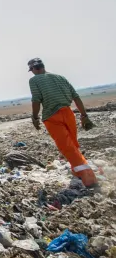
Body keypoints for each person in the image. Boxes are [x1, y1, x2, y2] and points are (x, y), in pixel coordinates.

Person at [27, 58, 97, 187]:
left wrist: (35, 117)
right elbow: (76, 96)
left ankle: (89, 178)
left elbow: (36, 99)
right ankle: (78, 172)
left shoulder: (34, 80)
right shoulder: (60, 77)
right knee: (73, 145)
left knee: (67, 147)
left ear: (33, 69)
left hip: (52, 117)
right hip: (68, 113)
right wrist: (84, 115)